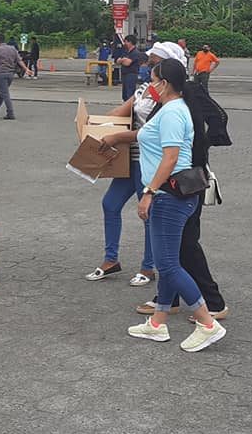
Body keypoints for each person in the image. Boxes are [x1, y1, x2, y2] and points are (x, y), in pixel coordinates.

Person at [119, 59, 226, 352]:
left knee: (167, 264)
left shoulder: (172, 113)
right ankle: (157, 323)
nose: (150, 86)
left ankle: (207, 323)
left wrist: (149, 192)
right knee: (168, 262)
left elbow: (171, 158)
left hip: (169, 196)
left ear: (165, 83)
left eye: (153, 80)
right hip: (172, 196)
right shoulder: (172, 109)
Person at [133, 78, 234, 321]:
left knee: (186, 244)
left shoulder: (187, 94)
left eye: (154, 74)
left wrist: (200, 149)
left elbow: (219, 117)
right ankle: (167, 303)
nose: (151, 80)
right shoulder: (167, 100)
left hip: (184, 182)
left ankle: (213, 303)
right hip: (171, 180)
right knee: (173, 248)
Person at [88, 68, 160, 287]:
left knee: (146, 213)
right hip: (128, 157)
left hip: (147, 160)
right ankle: (111, 260)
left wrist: (116, 136)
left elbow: (151, 132)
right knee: (110, 204)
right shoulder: (144, 88)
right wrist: (95, 126)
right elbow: (119, 112)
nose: (148, 63)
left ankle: (148, 267)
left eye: (154, 59)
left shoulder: (168, 95)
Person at [0, 37, 32, 120]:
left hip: (1, 73)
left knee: (4, 93)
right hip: (10, 73)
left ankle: (10, 112)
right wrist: (26, 69)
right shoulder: (12, 49)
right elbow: (19, 60)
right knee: (0, 93)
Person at [116, 34, 147, 101]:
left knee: (129, 94)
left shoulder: (135, 53)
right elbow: (118, 61)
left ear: (130, 42)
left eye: (126, 42)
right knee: (124, 95)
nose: (125, 44)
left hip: (131, 75)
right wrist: (123, 60)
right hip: (124, 74)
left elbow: (127, 63)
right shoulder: (125, 51)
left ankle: (130, 106)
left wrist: (123, 60)